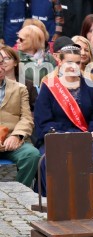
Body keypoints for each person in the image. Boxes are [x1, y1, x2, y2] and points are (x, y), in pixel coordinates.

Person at [34, 45, 93, 217]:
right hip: (57, 137)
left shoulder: (90, 86)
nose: (73, 67)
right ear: (59, 61)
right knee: (56, 156)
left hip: (87, 137)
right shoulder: (49, 87)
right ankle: (63, 203)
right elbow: (42, 120)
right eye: (69, 62)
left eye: (77, 63)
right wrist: (60, 135)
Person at [0, 44, 39, 188]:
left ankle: (19, 192)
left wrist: (17, 135)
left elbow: (27, 118)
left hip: (13, 140)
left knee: (31, 155)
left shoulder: (20, 88)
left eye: (1, 63)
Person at [1, 46, 37, 113]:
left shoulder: (29, 85)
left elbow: (36, 110)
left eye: (7, 58)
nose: (3, 62)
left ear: (15, 62)